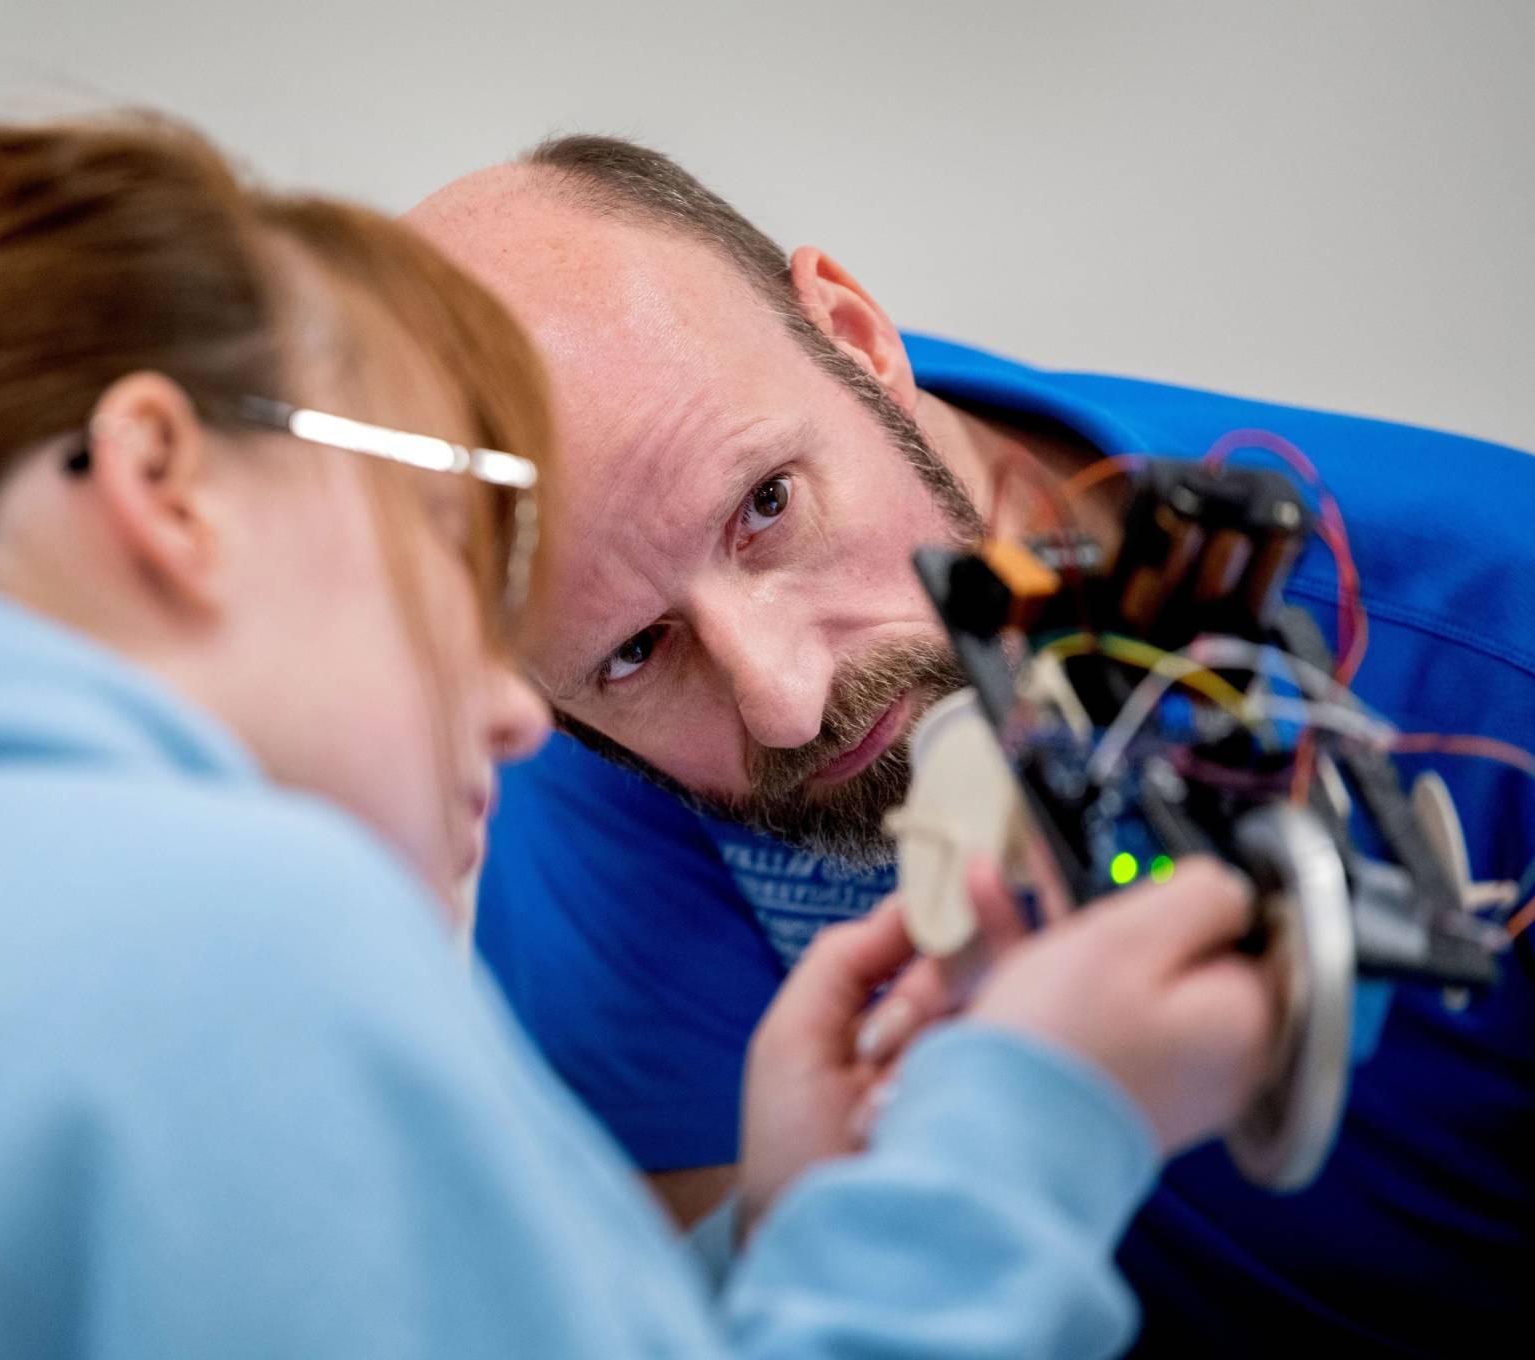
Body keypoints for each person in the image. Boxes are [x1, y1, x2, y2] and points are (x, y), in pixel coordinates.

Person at [0, 114, 1275, 1359]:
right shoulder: (196, 932)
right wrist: (1020, 1138)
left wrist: (789, 1246)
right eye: (441, 566)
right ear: (161, 483)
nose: (511, 704)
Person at [407, 134, 1535, 1355]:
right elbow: (681, 1287)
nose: (783, 702)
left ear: (853, 337)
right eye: (634, 651)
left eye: (766, 508)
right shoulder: (585, 726)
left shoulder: (1490, 635)